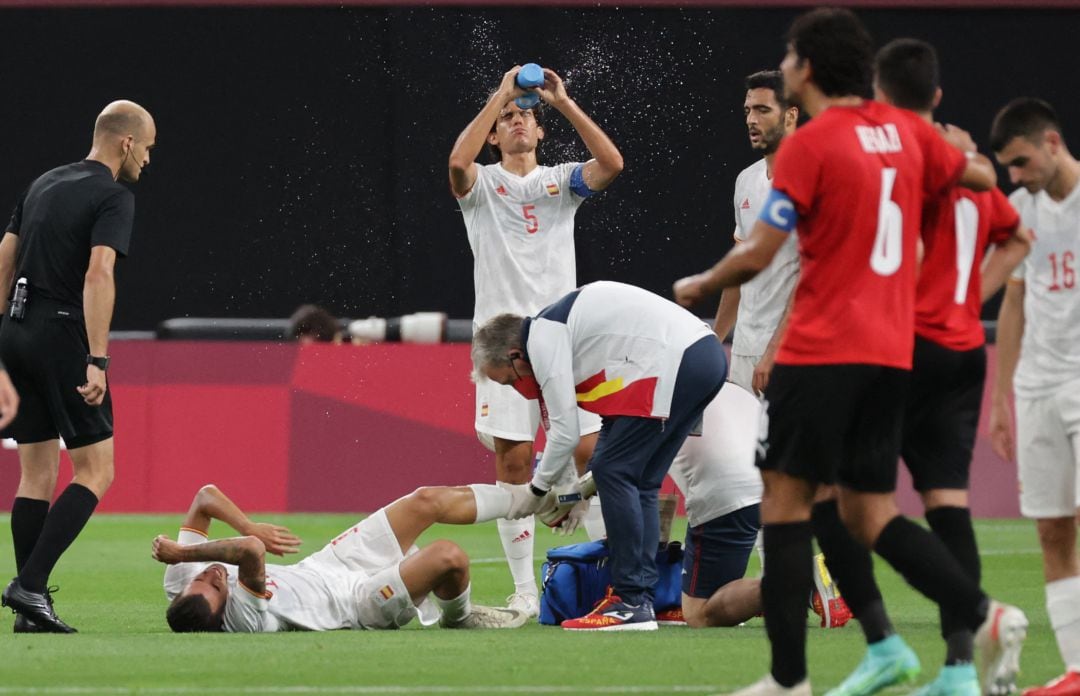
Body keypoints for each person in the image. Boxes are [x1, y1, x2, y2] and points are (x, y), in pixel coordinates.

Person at [674, 9, 1027, 695]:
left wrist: (706, 280)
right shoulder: (905, 135)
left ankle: (788, 679)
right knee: (868, 512)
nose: (783, 66)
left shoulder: (810, 145)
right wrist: (954, 164)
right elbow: (979, 178)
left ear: (807, 68)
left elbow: (761, 251)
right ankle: (982, 615)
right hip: (891, 357)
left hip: (822, 349)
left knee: (784, 500)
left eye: (788, 56)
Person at [448, 65, 623, 616]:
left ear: (541, 131)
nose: (518, 121)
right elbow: (457, 163)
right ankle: (524, 592)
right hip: (502, 349)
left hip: (565, 339)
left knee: (594, 454)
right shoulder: (481, 189)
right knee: (515, 462)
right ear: (494, 136)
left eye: (526, 115)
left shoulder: (561, 183)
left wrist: (563, 102)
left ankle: (613, 579)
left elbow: (612, 165)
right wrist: (500, 93)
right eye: (507, 118)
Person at [472, 280, 726, 631]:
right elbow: (606, 427)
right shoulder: (563, 334)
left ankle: (630, 601)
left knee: (613, 470)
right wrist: (576, 494)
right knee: (640, 480)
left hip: (677, 360)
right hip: (703, 357)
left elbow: (565, 432)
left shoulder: (543, 338)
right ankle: (645, 599)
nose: (517, 390)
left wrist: (536, 493)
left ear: (515, 355)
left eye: (508, 382)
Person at [0, 100, 155, 634]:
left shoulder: (43, 183)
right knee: (97, 470)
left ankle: (30, 613)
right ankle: (29, 586)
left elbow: (3, 259)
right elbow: (98, 273)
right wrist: (96, 359)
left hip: (15, 329)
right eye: (148, 148)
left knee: (37, 474)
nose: (148, 161)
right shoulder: (114, 196)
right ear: (126, 143)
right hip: (62, 333)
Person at [153, 482, 530, 632]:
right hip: (357, 603)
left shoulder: (180, 582)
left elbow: (205, 496)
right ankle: (460, 617)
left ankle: (534, 498)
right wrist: (182, 551)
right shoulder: (243, 621)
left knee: (425, 500)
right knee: (448, 557)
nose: (213, 575)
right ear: (224, 611)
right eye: (217, 586)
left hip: (329, 563)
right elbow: (251, 549)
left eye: (201, 579)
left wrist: (245, 523)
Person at [989, 97, 1080, 696]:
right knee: (1053, 530)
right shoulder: (1021, 210)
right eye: (1007, 169)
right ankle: (1076, 670)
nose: (1015, 177)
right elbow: (1013, 302)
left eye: (1021, 162)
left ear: (1051, 142)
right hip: (1037, 388)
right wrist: (1001, 398)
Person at [668, 384, 850, 630]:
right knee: (724, 591)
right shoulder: (730, 386)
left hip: (729, 492)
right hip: (779, 481)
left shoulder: (656, 391)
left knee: (699, 613)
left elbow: (627, 474)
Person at [676, 70, 799, 397]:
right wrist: (715, 341)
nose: (751, 120)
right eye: (747, 110)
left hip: (792, 353)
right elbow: (740, 268)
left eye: (762, 110)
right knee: (746, 449)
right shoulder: (746, 180)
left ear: (790, 116)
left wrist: (775, 352)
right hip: (745, 350)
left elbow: (812, 278)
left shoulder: (811, 179)